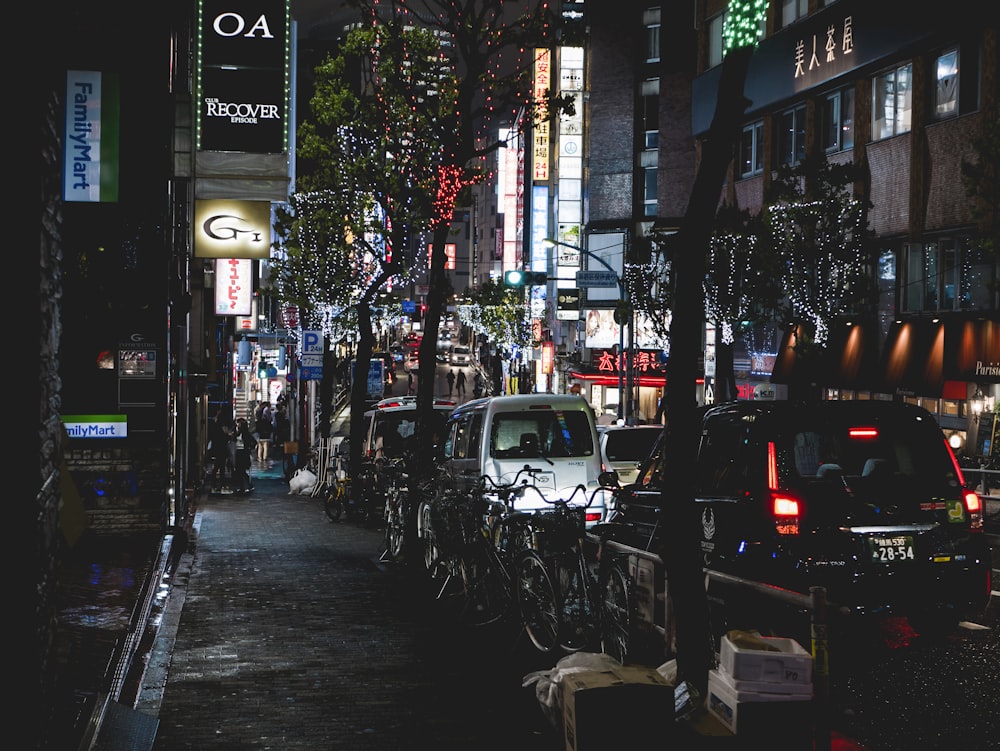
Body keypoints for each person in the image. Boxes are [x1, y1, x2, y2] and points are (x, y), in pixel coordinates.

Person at [209, 409, 235, 492]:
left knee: (218, 466)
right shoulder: (221, 426)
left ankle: (217, 484)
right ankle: (220, 484)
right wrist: (229, 436)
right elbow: (226, 436)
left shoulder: (215, 425)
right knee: (220, 466)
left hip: (217, 448)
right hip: (221, 448)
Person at [233, 417, 257, 494]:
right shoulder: (237, 432)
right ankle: (245, 486)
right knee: (239, 470)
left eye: (239, 423)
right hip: (238, 452)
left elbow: (254, 442)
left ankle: (244, 486)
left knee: (241, 470)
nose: (237, 425)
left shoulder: (246, 433)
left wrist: (249, 448)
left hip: (244, 453)